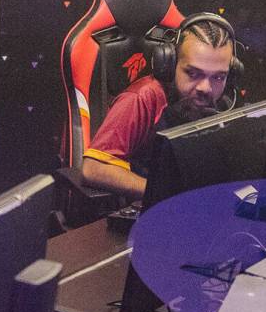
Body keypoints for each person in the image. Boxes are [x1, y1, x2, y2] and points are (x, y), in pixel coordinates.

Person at [80, 14, 238, 201]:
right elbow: (93, 169)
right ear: (170, 64)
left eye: (218, 77)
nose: (206, 88)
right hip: (152, 208)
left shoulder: (223, 105)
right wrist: (163, 194)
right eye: (193, 73)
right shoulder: (143, 99)